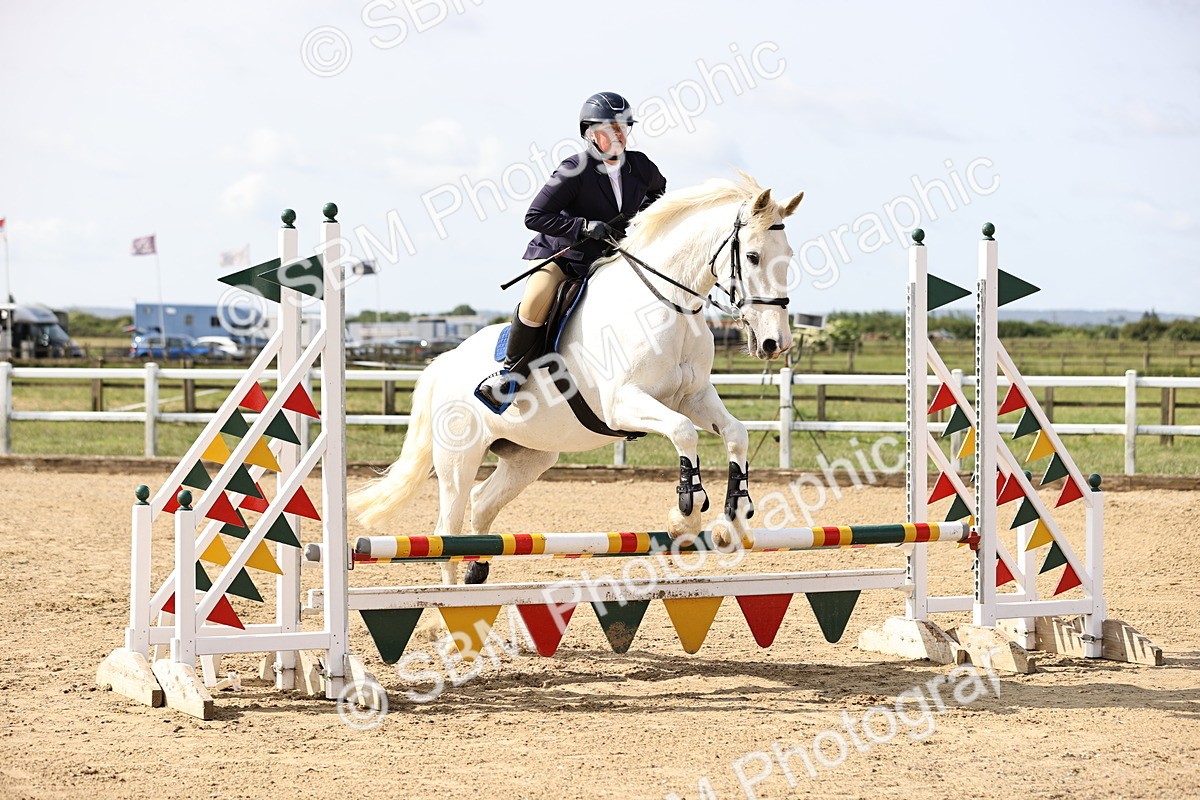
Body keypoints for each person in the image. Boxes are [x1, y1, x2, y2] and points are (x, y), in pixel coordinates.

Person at [475, 91, 667, 413]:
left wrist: (639, 220)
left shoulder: (641, 167)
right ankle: (510, 376)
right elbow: (534, 217)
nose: (619, 135)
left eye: (624, 128)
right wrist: (582, 226)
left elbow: (658, 191)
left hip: (611, 255)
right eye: (611, 129)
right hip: (566, 256)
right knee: (539, 292)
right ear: (591, 134)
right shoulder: (574, 169)